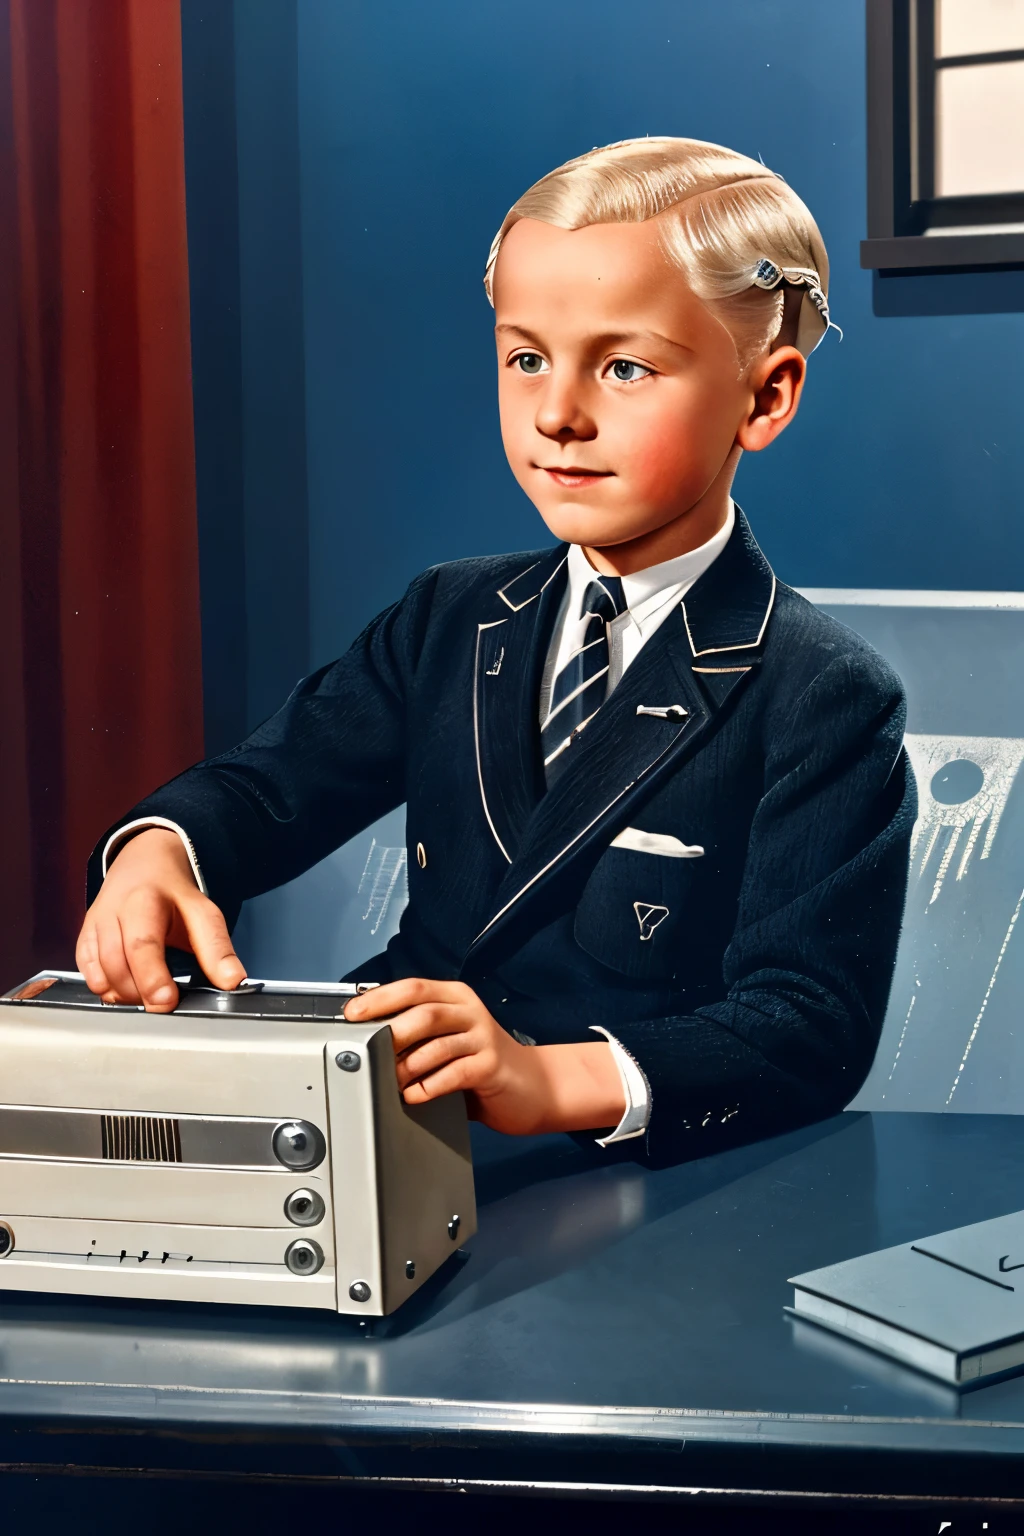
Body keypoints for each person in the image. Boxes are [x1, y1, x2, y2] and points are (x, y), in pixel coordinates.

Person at [77, 137, 916, 1165]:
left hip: (623, 1168)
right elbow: (266, 789)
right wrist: (161, 852)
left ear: (764, 397)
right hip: (387, 1108)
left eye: (623, 366)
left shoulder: (821, 692)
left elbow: (806, 1027)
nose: (557, 415)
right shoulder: (448, 614)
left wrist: (542, 1077)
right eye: (525, 358)